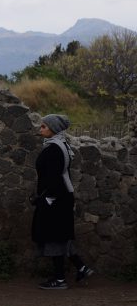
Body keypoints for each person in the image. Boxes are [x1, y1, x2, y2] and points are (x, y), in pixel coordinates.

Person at [31, 114, 94, 290]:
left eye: (43, 126)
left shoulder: (54, 149)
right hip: (61, 196)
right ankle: (81, 267)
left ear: (53, 129)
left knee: (53, 236)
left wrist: (48, 198)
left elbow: (53, 176)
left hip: (56, 197)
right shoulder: (60, 145)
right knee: (60, 235)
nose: (40, 129)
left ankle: (60, 279)